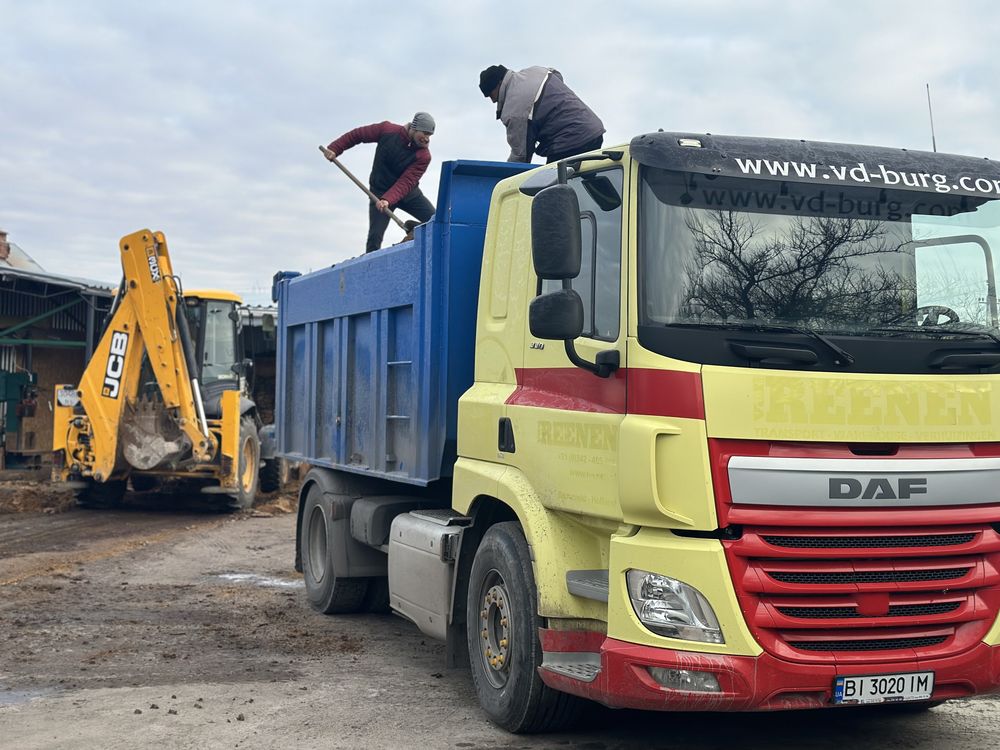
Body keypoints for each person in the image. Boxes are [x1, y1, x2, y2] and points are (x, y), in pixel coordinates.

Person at [325, 113, 436, 253]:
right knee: (374, 238)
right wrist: (335, 148)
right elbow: (358, 135)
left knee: (437, 222)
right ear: (414, 128)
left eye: (430, 135)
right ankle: (371, 271)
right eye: (424, 133)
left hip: (409, 194)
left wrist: (388, 199)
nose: (427, 139)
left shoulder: (424, 156)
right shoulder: (387, 130)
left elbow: (406, 181)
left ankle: (416, 229)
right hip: (379, 193)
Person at [478, 65, 605, 164]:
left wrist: (502, 180)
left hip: (570, 142)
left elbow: (520, 156)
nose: (493, 100)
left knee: (552, 191)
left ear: (499, 84)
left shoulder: (514, 110)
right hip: (593, 131)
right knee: (588, 184)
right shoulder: (535, 71)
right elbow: (557, 75)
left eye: (490, 95)